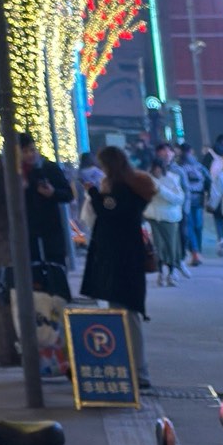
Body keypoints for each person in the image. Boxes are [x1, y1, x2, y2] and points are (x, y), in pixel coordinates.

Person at [81, 143, 157, 387]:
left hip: (121, 260)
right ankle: (133, 369)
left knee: (126, 313)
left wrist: (94, 194)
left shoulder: (123, 192)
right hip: (124, 259)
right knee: (124, 312)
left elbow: (108, 210)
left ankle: (138, 372)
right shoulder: (130, 188)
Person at [17, 136, 75, 296]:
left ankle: (59, 302)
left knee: (56, 271)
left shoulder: (48, 168)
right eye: (25, 151)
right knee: (33, 276)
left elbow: (68, 194)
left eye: (32, 150)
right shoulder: (13, 173)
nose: (30, 155)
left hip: (51, 230)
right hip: (27, 231)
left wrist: (52, 193)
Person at [147, 147, 185, 284]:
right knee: (157, 247)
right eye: (154, 168)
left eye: (159, 168)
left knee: (170, 246)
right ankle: (161, 273)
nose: (157, 170)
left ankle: (172, 272)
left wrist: (160, 190)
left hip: (169, 217)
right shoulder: (146, 180)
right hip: (152, 217)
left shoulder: (173, 179)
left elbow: (179, 198)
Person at [178, 147, 207, 264]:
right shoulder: (199, 167)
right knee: (198, 226)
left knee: (189, 226)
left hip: (186, 201)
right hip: (199, 200)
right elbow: (209, 179)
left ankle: (195, 251)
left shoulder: (180, 168)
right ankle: (197, 250)